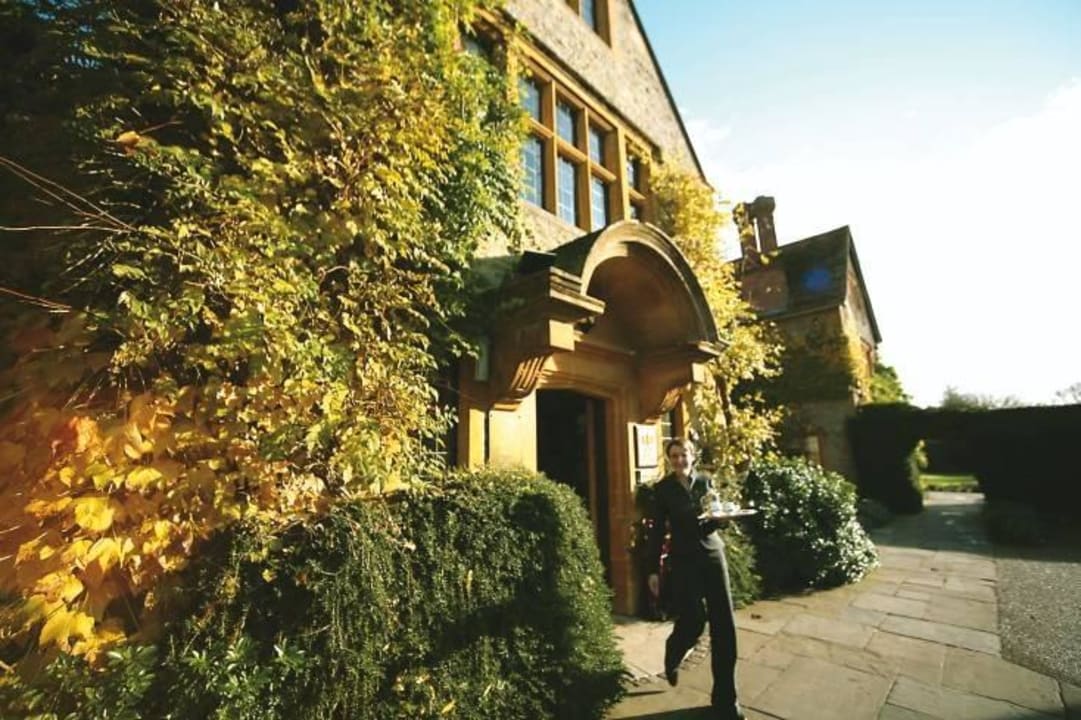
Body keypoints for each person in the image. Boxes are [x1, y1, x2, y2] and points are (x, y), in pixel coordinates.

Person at [646, 437, 744, 720]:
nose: (680, 460)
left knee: (724, 625)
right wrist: (653, 569)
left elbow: (711, 519)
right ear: (669, 459)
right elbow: (656, 533)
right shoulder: (662, 489)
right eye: (674, 456)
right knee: (692, 621)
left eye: (684, 454)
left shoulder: (705, 482)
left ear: (693, 456)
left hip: (713, 556)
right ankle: (674, 650)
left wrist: (721, 520)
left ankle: (726, 699)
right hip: (684, 560)